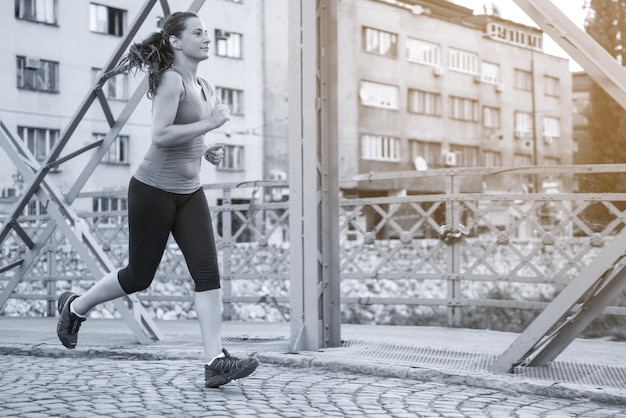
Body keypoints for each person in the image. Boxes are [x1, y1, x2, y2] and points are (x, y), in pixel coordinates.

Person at [55, 11, 258, 389]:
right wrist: (210, 125)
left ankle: (214, 360)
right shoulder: (171, 80)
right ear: (176, 41)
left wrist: (205, 150)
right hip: (152, 191)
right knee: (139, 276)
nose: (206, 38)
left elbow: (186, 138)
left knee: (207, 273)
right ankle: (76, 307)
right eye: (198, 33)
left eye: (207, 32)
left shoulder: (206, 85)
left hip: (189, 192)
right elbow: (161, 136)